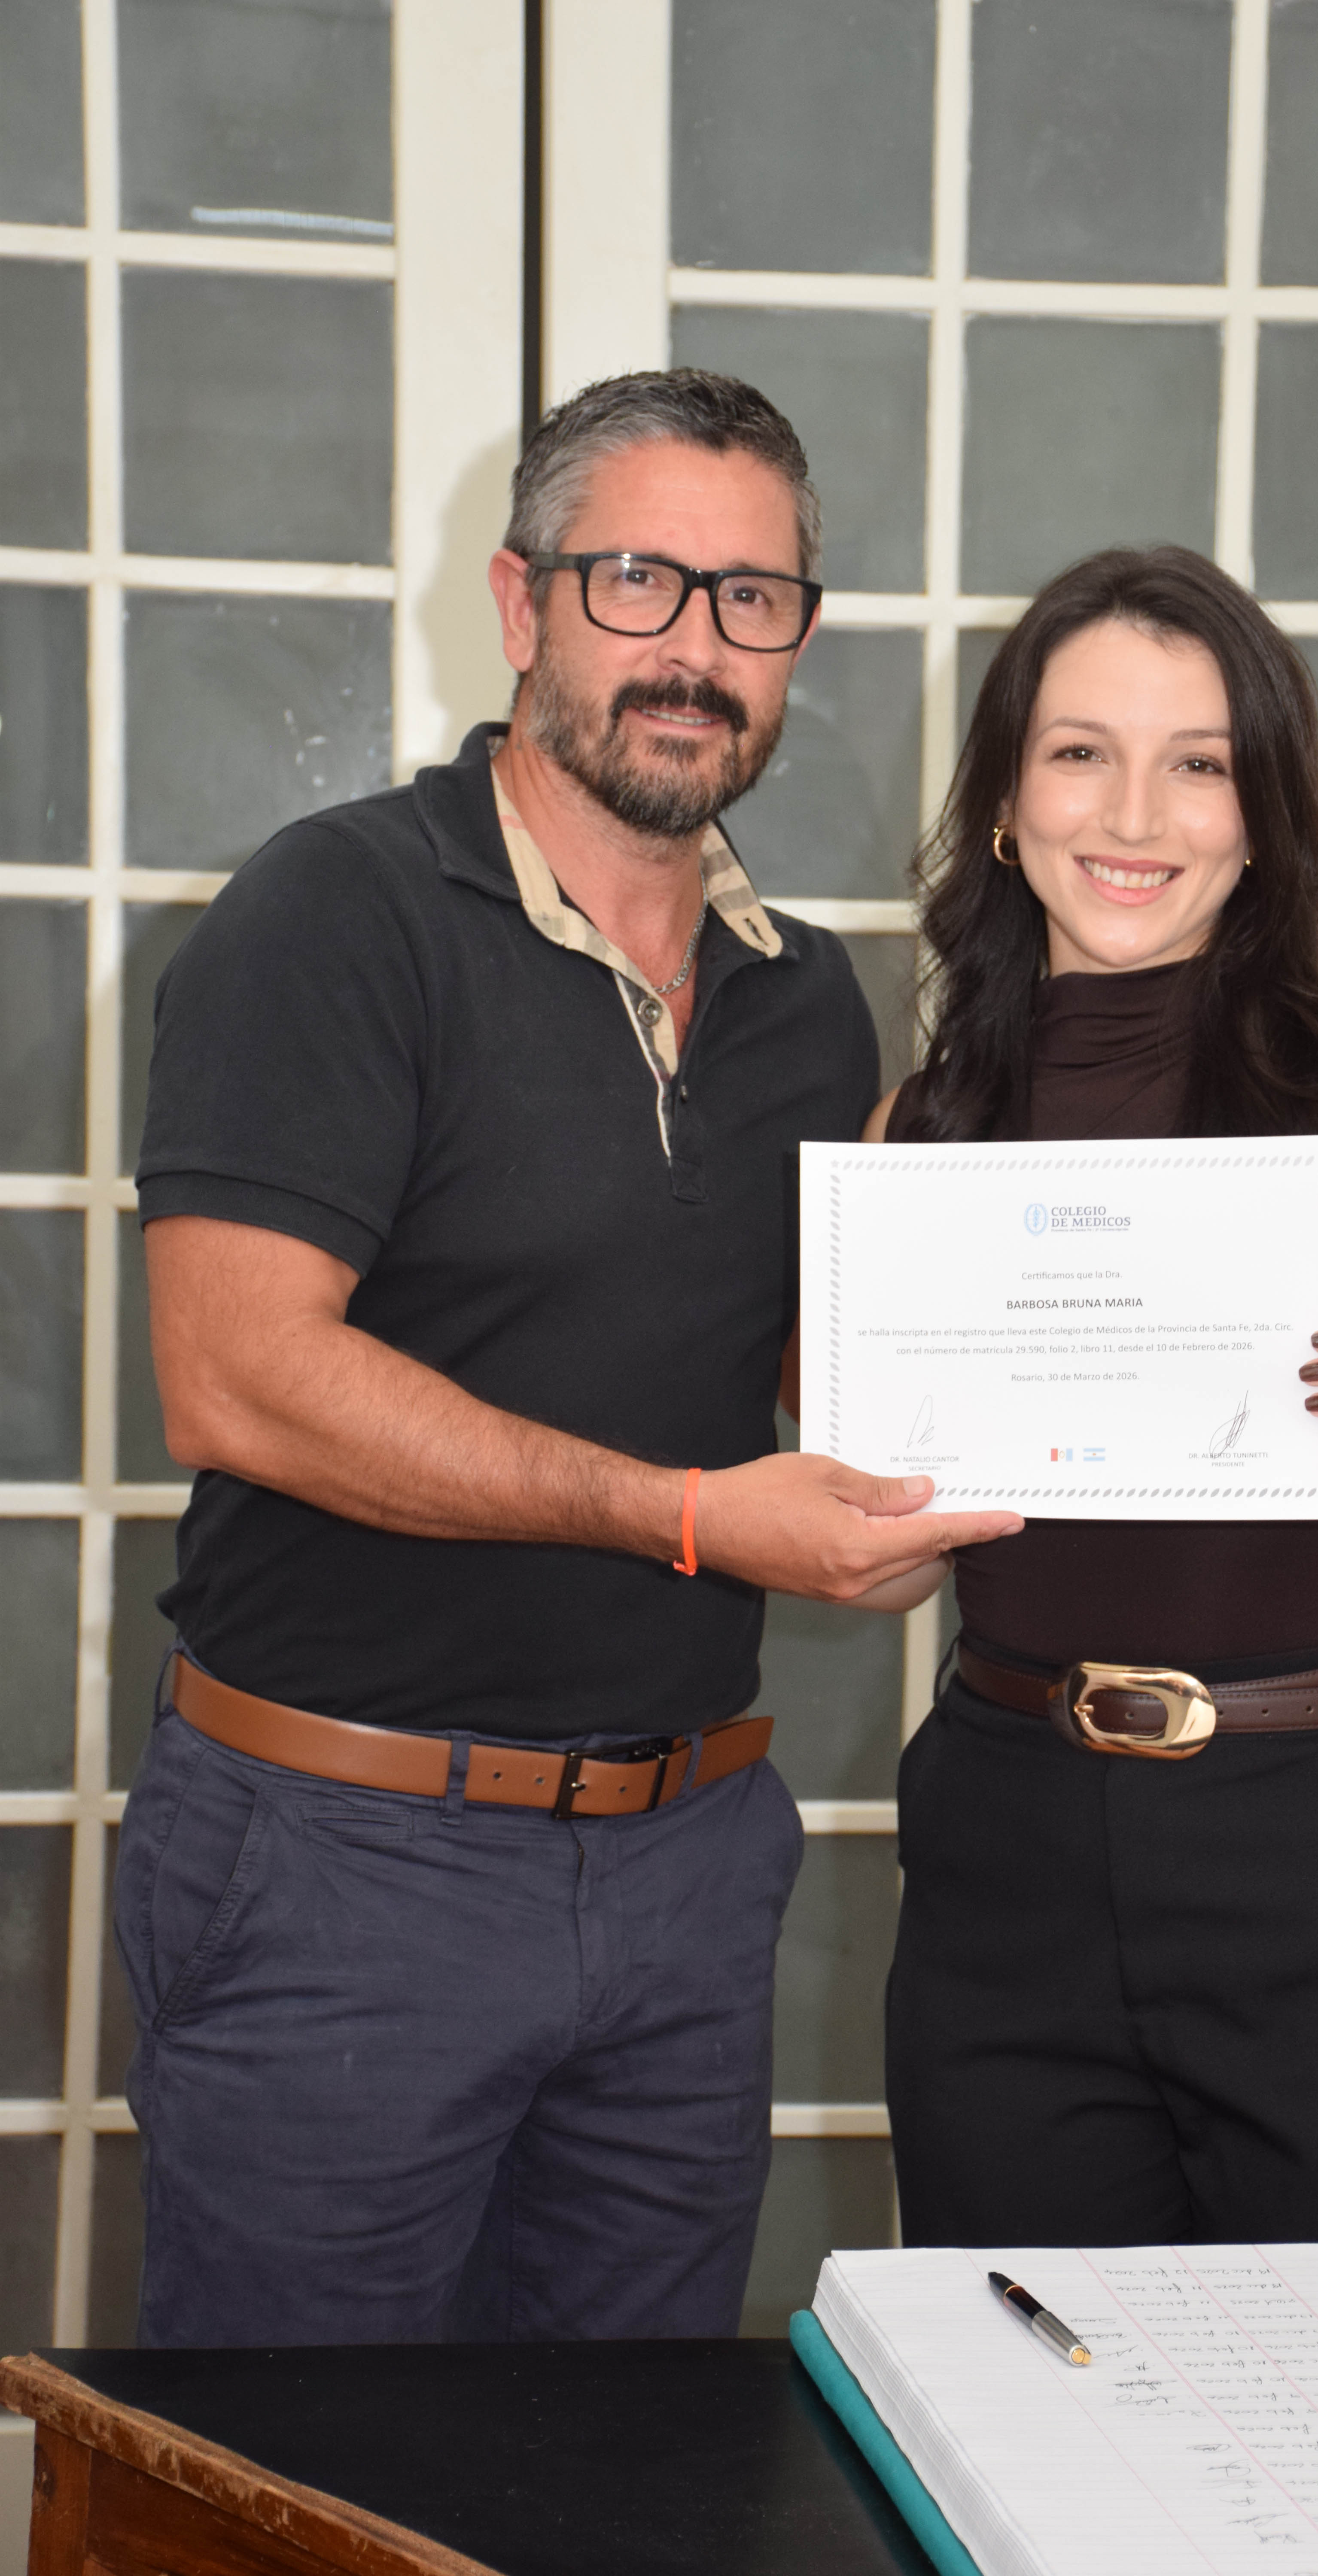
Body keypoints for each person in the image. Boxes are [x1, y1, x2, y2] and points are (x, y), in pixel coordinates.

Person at [118, 368, 1019, 2348]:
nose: (695, 647)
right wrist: (689, 1517)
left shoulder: (808, 1000)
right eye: (638, 583)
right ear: (524, 606)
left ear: (797, 641)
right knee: (302, 2483)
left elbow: (823, 1387)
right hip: (347, 1866)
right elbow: (237, 1376)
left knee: (624, 2475)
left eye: (751, 598)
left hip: (688, 1874)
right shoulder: (337, 914)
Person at [860, 546, 1318, 2249]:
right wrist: (856, 1505)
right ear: (1003, 805)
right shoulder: (917, 1136)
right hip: (1007, 1848)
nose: (1136, 814)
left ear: (1261, 814)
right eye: (1079, 753)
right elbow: (884, 1571)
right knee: (1029, 2384)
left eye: (1198, 762)